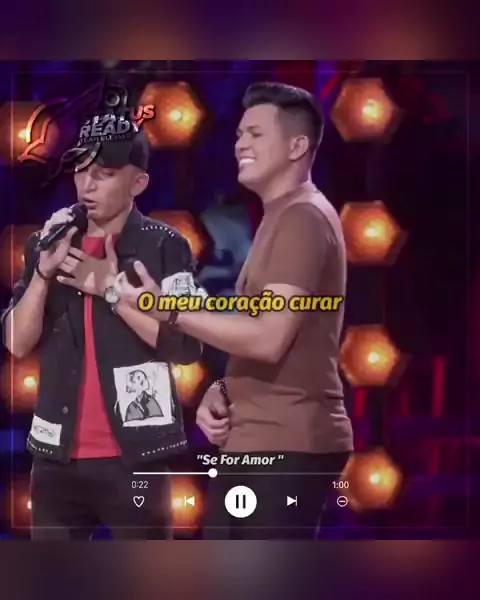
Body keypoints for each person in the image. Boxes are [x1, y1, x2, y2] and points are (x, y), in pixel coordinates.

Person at [112, 82, 354, 539]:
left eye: (256, 134)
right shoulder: (280, 216)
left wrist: (167, 309)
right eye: (240, 134)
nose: (240, 143)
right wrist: (226, 387)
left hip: (285, 441)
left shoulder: (302, 218)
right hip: (258, 438)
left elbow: (269, 338)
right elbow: (273, 336)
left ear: (297, 146)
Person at [1, 127, 203, 540]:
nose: (87, 184)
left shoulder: (165, 246)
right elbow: (17, 343)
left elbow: (186, 347)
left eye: (104, 173)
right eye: (81, 169)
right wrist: (42, 273)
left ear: (138, 183)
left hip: (137, 455)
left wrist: (110, 290)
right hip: (56, 460)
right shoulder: (47, 243)